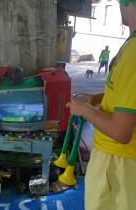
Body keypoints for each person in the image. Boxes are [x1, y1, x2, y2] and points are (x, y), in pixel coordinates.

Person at [66, 1, 136, 209]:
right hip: (116, 162)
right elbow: (127, 95)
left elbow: (121, 132)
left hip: (118, 164)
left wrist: (84, 110)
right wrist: (96, 98)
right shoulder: (131, 43)